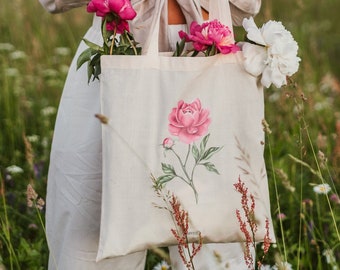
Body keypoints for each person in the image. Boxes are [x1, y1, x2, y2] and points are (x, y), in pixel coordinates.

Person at [39, 0, 262, 269]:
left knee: (218, 242)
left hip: (211, 53)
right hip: (117, 51)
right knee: (92, 237)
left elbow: (247, 6)